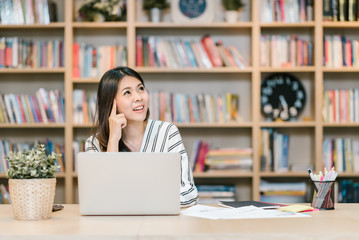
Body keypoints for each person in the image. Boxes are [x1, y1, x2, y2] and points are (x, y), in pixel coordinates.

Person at [85, 66, 198, 207]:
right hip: (114, 225)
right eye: (127, 92)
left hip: (160, 223)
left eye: (141, 89)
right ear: (111, 103)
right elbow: (101, 197)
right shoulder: (94, 143)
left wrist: (142, 204)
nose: (139, 97)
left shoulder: (167, 132)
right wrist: (113, 141)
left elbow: (189, 192)